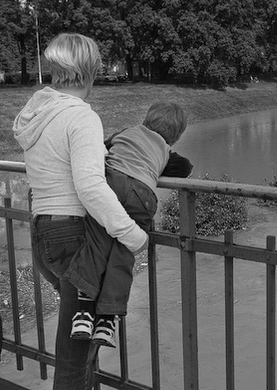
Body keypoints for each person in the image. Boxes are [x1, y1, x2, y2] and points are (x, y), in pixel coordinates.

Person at [12, 32, 147, 390]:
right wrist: (131, 233)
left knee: (80, 326)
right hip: (74, 236)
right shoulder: (80, 117)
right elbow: (90, 185)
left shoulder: (38, 112)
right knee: (77, 337)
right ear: (92, 69)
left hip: (44, 231)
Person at [63, 102, 192, 348]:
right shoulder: (165, 150)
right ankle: (107, 321)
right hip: (142, 194)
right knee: (123, 253)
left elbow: (101, 148)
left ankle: (83, 315)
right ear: (175, 137)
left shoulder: (127, 132)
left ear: (145, 121)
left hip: (111, 184)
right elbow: (184, 168)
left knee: (96, 243)